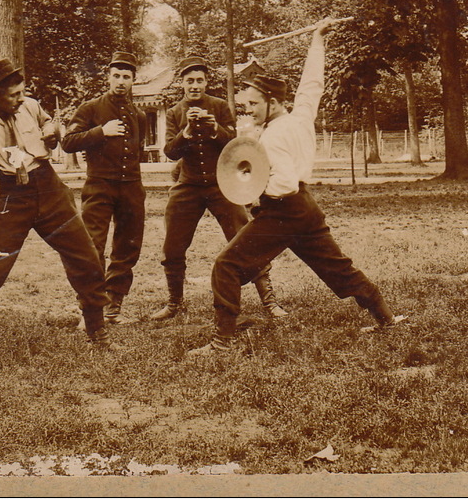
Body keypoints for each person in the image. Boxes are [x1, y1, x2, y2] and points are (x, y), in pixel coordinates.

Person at [188, 19, 406, 356]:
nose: (249, 109)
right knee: (339, 269)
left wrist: (256, 194)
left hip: (283, 210)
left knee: (226, 266)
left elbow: (284, 183)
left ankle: (222, 342)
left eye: (254, 104)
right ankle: (386, 319)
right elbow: (311, 85)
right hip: (305, 210)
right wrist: (317, 40)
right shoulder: (300, 116)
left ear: (273, 102)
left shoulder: (273, 136)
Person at [0, 59, 113, 360]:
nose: (21, 99)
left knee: (87, 257)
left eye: (22, 92)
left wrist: (51, 131)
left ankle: (99, 336)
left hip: (50, 188)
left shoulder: (27, 105)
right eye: (13, 95)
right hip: (13, 198)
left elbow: (45, 122)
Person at [151, 56, 288, 321]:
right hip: (188, 185)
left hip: (221, 184)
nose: (194, 86)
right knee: (172, 246)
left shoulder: (220, 106)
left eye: (199, 81)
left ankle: (269, 301)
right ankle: (174, 302)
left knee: (245, 237)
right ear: (182, 84)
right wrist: (187, 131)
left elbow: (235, 144)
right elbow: (169, 151)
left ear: (206, 82)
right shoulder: (174, 112)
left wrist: (215, 128)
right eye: (189, 81)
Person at [61, 52, 148, 325]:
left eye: (126, 77)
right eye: (116, 76)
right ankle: (90, 309)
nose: (121, 82)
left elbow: (138, 150)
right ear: (108, 77)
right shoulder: (91, 109)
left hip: (131, 187)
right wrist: (101, 131)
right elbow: (68, 142)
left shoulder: (139, 115)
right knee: (92, 248)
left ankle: (113, 308)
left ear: (134, 80)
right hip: (99, 186)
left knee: (127, 248)